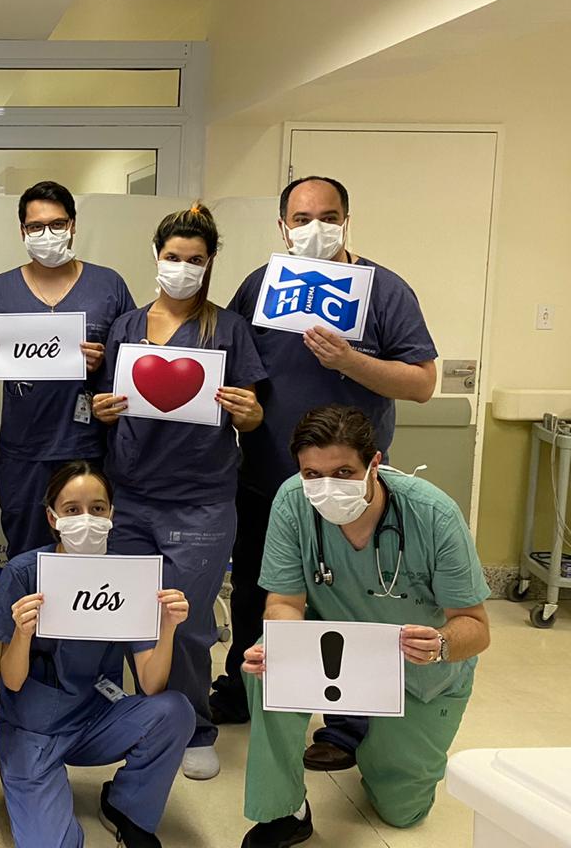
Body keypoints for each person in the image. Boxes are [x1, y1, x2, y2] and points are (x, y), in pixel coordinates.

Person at [210, 176, 438, 773]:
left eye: (328, 216)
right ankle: (245, 685)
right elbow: (233, 361)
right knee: (258, 590)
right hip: (267, 476)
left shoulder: (383, 291)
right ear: (282, 227)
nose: (316, 228)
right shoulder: (262, 287)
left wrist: (349, 360)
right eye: (302, 218)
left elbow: (422, 383)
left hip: (348, 486)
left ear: (347, 221)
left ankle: (346, 723)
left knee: (350, 602)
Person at [239, 405, 489, 847]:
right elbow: (283, 602)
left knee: (401, 812)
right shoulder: (293, 501)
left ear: (374, 463)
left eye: (343, 472)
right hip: (329, 652)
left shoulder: (432, 514)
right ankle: (284, 810)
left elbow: (475, 626)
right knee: (266, 664)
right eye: (312, 474)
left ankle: (378, 751)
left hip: (417, 667)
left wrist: (440, 645)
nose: (327, 486)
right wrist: (283, 644)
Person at [93, 203, 266, 781]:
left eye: (195, 259)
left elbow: (253, 415)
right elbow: (107, 400)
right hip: (129, 494)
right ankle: (132, 715)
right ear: (156, 256)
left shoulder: (228, 329)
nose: (183, 268)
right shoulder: (127, 326)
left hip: (200, 500)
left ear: (210, 262)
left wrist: (248, 412)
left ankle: (194, 726)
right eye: (173, 257)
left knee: (186, 621)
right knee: (125, 613)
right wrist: (103, 409)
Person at [0, 460, 193, 848]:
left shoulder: (128, 578)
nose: (87, 519)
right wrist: (22, 634)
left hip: (95, 716)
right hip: (33, 727)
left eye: (97, 508)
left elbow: (152, 684)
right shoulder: (24, 574)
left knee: (175, 711)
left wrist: (167, 628)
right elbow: (11, 681)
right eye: (72, 509)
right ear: (52, 518)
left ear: (111, 514)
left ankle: (126, 806)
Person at [0, 181, 135, 559]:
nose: (47, 234)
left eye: (57, 224)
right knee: (26, 553)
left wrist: (103, 361)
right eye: (36, 226)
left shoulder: (108, 285)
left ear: (73, 226)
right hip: (23, 449)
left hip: (87, 445)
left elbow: (131, 360)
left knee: (89, 550)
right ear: (22, 231)